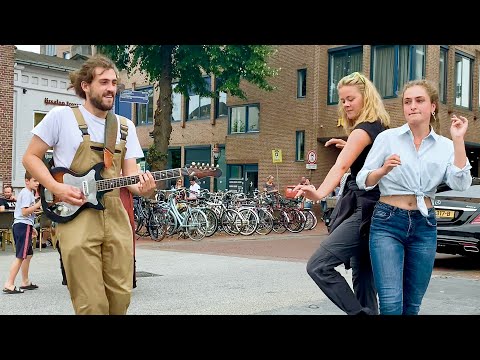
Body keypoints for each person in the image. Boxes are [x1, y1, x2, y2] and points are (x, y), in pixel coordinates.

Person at [22, 54, 156, 314]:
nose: (111, 89)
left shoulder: (125, 126)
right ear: (85, 85)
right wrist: (57, 187)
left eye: (114, 83)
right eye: (104, 82)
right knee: (91, 304)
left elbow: (133, 180)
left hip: (116, 216)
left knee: (121, 298)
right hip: (76, 216)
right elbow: (30, 157)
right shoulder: (61, 116)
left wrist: (147, 189)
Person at [356, 79, 472, 315]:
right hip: (388, 222)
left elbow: (461, 182)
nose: (412, 106)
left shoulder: (445, 145)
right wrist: (382, 171)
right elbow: (363, 180)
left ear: (433, 107)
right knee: (390, 304)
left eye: (419, 101)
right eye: (407, 102)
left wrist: (458, 140)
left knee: (412, 305)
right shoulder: (388, 139)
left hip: (424, 224)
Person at [293, 71, 390, 315]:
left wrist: (318, 194)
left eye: (351, 98)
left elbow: (340, 166)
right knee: (363, 275)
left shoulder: (362, 131)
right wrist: (350, 146)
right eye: (343, 100)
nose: (345, 104)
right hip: (379, 208)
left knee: (318, 266)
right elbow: (372, 160)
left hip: (365, 208)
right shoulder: (380, 128)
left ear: (365, 98)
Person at [2, 172, 41, 294]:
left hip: (24, 225)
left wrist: (32, 226)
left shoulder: (28, 193)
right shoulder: (26, 193)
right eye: (34, 180)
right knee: (20, 256)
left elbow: (26, 213)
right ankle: (9, 284)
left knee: (28, 254)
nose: (37, 183)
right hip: (22, 226)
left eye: (38, 180)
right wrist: (39, 204)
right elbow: (24, 212)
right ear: (26, 181)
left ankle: (25, 281)